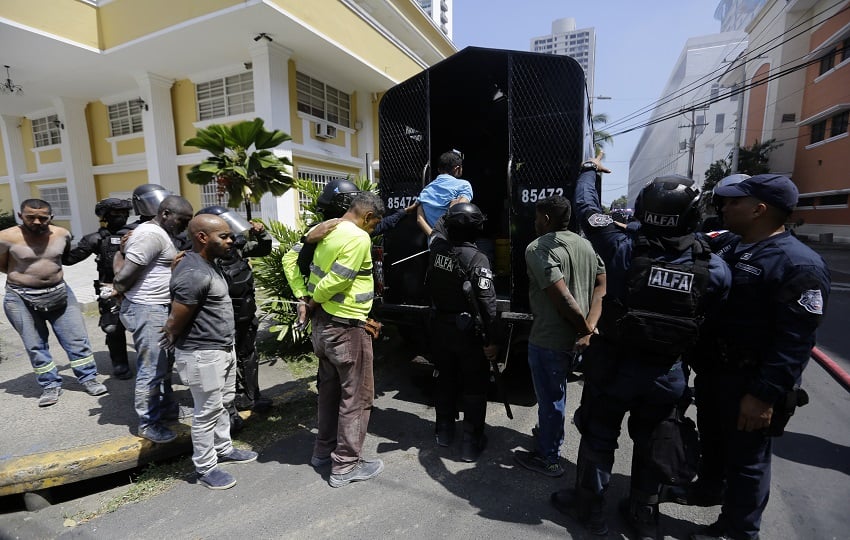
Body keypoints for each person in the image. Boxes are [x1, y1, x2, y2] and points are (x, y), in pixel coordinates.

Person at [557, 156, 730, 539]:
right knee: (654, 441)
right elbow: (711, 318)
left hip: (613, 367)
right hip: (666, 373)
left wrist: (588, 169)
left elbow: (586, 207)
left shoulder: (620, 247)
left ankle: (589, 508)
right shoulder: (714, 270)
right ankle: (644, 516)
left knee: (599, 434)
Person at [679, 174, 830, 540]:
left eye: (733, 203)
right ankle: (708, 489)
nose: (724, 209)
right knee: (713, 438)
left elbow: (794, 341)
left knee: (747, 460)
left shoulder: (798, 265)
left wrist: (763, 396)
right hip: (716, 370)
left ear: (759, 209)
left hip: (750, 381)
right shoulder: (733, 244)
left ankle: (739, 530)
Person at [285, 191, 386, 488]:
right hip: (347, 328)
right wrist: (314, 300)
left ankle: (323, 452)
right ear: (367, 217)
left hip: (322, 329)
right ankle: (345, 465)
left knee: (329, 393)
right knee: (357, 397)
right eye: (374, 225)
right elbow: (338, 278)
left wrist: (302, 297)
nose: (372, 231)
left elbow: (291, 259)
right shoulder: (357, 238)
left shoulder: (321, 231)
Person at [162, 214, 258, 490]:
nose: (231, 241)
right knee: (206, 411)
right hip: (202, 353)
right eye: (224, 236)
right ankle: (205, 467)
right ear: (202, 238)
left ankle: (224, 448)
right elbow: (175, 321)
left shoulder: (206, 264)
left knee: (224, 401)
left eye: (229, 235)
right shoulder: (194, 273)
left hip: (222, 348)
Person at [514, 196, 606, 477]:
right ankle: (546, 436)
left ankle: (549, 458)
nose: (534, 223)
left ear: (545, 219)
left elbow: (562, 296)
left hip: (549, 339)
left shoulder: (538, 248)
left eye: (536, 217)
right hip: (578, 341)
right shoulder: (585, 244)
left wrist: (583, 327)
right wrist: (590, 325)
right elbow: (602, 284)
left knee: (552, 400)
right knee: (557, 395)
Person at [0, 199, 108, 407]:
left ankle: (88, 378)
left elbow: (62, 258)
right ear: (20, 215)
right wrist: (27, 278)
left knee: (77, 338)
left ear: (51, 217)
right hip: (20, 297)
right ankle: (49, 384)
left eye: (43, 217)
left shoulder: (62, 234)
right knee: (35, 344)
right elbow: (3, 265)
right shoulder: (5, 238)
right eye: (31, 217)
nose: (37, 221)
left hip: (60, 293)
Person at [113, 195, 194, 444]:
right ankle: (148, 423)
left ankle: (167, 410)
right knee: (152, 369)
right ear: (166, 213)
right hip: (148, 309)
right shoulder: (150, 235)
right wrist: (122, 294)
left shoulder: (159, 234)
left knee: (163, 364)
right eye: (182, 220)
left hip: (158, 308)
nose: (184, 226)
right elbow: (124, 276)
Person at [426, 202, 499, 462]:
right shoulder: (478, 258)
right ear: (477, 229)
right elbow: (488, 305)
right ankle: (470, 442)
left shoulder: (436, 251)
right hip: (469, 334)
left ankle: (444, 432)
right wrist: (493, 340)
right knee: (474, 386)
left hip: (440, 329)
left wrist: (448, 212)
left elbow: (436, 231)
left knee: (444, 379)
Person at [196, 206, 273, 423]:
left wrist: (261, 234)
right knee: (223, 364)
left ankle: (251, 395)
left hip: (246, 315)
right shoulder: (200, 257)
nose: (229, 238)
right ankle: (227, 409)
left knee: (248, 355)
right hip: (219, 321)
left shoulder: (236, 248)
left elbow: (262, 249)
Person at [63, 197, 135, 380]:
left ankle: (150, 362)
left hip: (138, 286)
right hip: (108, 287)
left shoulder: (139, 232)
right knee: (112, 327)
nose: (121, 217)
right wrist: (63, 241)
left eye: (124, 214)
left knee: (146, 325)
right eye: (115, 214)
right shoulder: (95, 239)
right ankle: (119, 362)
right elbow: (70, 260)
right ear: (105, 216)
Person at [416, 150, 473, 236]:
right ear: (457, 168)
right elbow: (460, 210)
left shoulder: (425, 190)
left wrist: (434, 237)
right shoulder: (464, 185)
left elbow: (419, 219)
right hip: (456, 244)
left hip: (434, 246)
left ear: (439, 169)